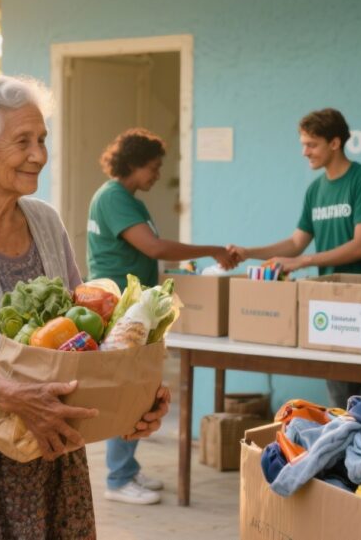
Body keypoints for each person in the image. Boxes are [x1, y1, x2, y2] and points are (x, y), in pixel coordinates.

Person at [0, 75, 170, 538]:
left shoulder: (44, 220)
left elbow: (89, 333)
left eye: (41, 139)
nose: (39, 154)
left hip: (45, 450)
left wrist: (132, 397)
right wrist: (12, 396)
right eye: (22, 141)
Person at [87, 127, 237, 505]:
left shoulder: (126, 198)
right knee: (125, 390)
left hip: (134, 306)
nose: (156, 175)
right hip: (122, 307)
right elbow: (152, 246)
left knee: (136, 387)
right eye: (153, 167)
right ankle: (118, 479)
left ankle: (127, 469)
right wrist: (213, 249)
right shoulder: (115, 197)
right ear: (134, 165)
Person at [229, 108, 361, 409]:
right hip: (331, 299)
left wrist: (303, 262)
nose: (305, 152)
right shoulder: (315, 190)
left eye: (312, 144)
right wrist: (249, 253)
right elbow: (295, 242)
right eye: (303, 144)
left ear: (335, 143)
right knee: (339, 398)